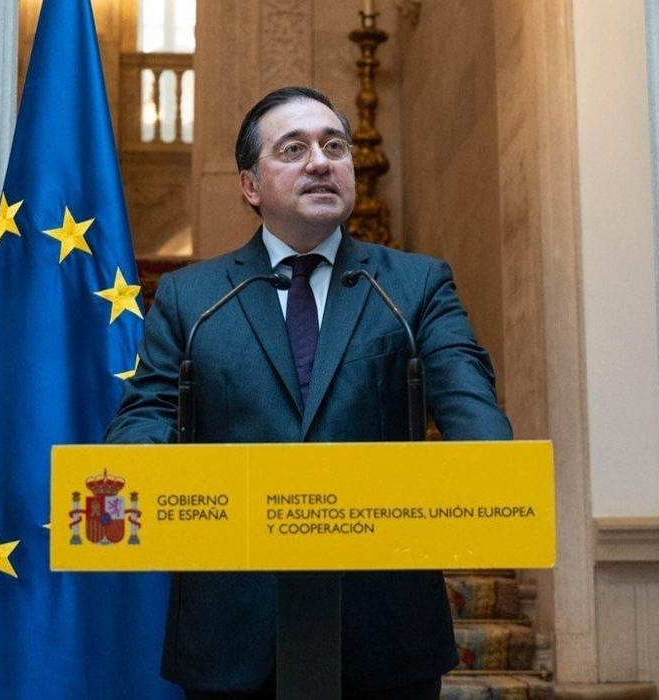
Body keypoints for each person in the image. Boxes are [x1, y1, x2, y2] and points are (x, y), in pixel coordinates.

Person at [105, 86, 513, 699]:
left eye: (334, 146)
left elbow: (469, 403)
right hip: (233, 631)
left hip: (384, 629)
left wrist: (495, 473)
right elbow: (149, 415)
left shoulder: (413, 286)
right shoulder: (193, 298)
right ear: (250, 186)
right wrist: (130, 474)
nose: (321, 161)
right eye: (293, 149)